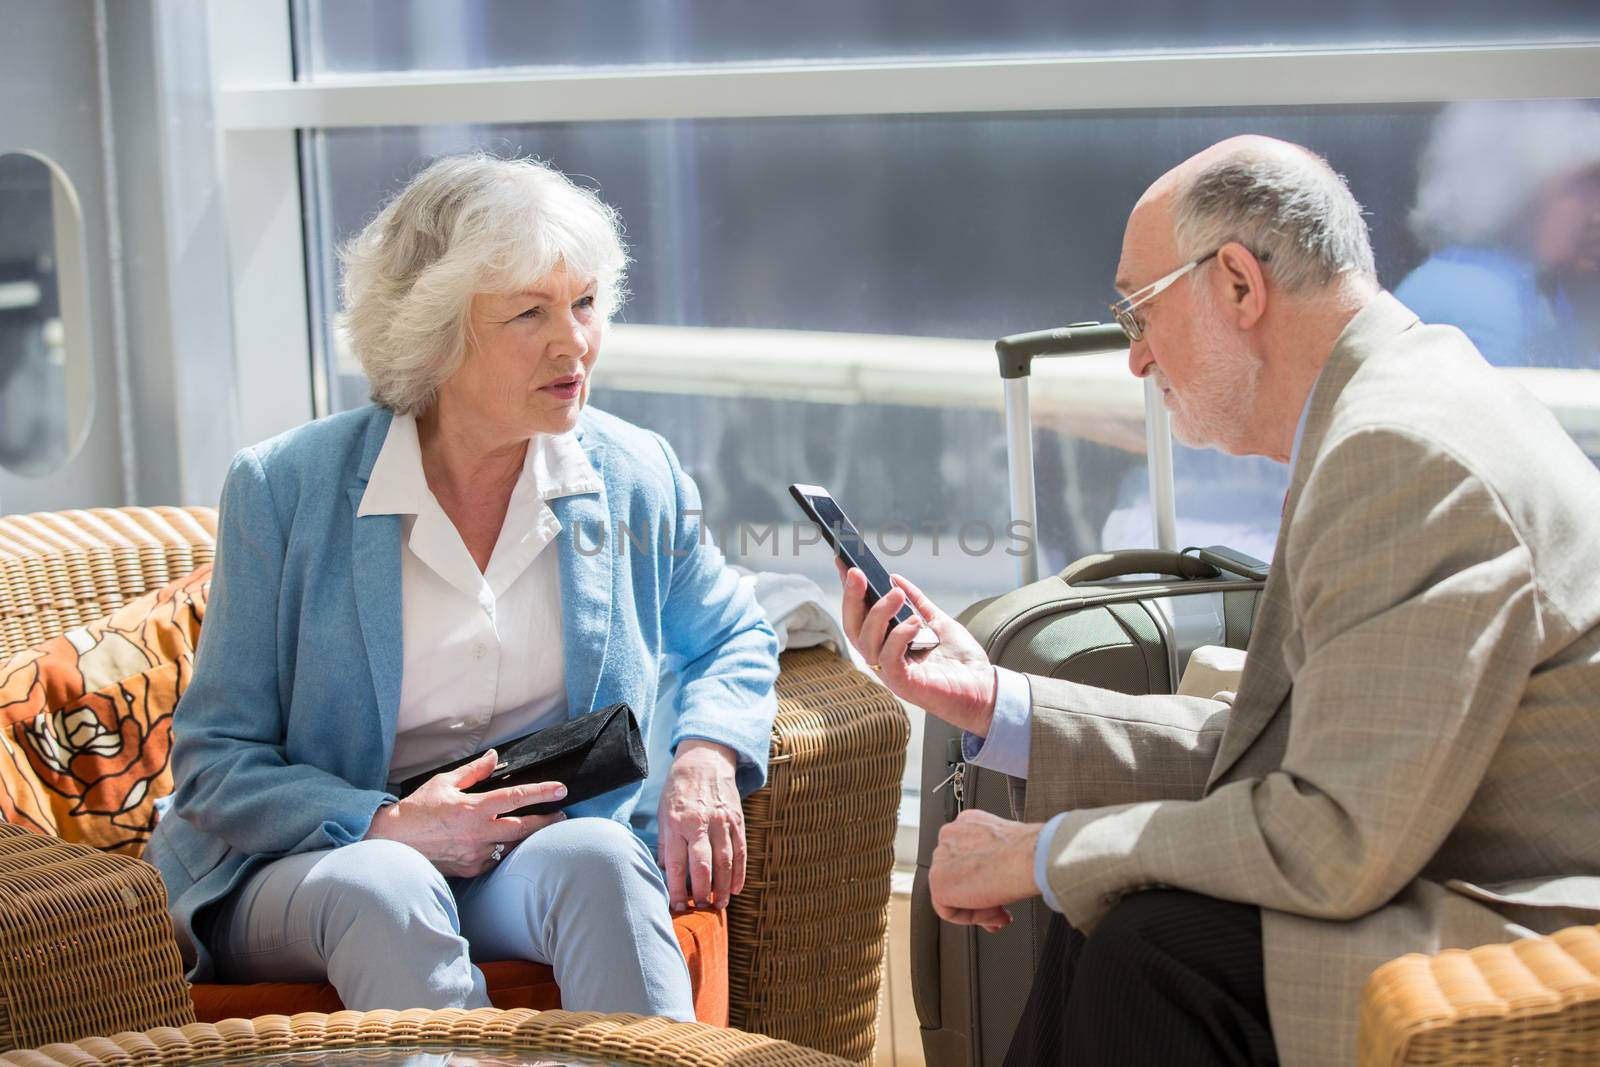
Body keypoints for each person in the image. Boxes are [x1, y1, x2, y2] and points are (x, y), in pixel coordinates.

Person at [837, 136, 1600, 1066]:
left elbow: (1333, 833)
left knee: (1147, 945)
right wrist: (996, 701)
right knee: (1126, 915)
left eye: (1136, 311)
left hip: (1525, 935)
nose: (1135, 358)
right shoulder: (1395, 401)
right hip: (1441, 870)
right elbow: (1272, 750)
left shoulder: (1400, 450)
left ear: (1239, 284)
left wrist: (1045, 851)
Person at [143, 153, 780, 1020]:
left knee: (601, 859)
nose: (574, 342)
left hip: (515, 859)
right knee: (389, 882)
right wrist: (385, 821)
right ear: (435, 332)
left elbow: (733, 633)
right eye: (530, 312)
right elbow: (216, 761)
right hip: (311, 867)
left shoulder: (634, 472)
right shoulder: (284, 488)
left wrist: (705, 755)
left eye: (585, 303)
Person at [1395, 100, 1600, 370]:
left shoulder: (1538, 287)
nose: (1595, 212)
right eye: (1579, 187)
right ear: (1514, 190)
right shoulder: (1477, 300)